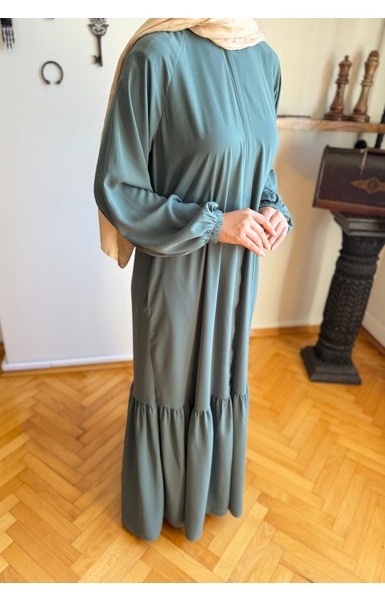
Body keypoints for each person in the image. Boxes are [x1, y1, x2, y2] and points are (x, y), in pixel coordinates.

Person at [94, 18, 293, 542]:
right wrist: (213, 224)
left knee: (222, 377)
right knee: (168, 383)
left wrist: (274, 209)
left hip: (238, 268)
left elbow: (260, 168)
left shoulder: (265, 59)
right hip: (176, 264)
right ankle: (157, 506)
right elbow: (118, 186)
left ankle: (205, 494)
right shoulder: (156, 55)